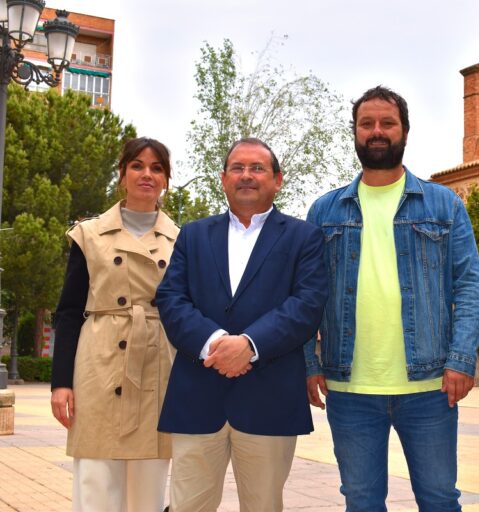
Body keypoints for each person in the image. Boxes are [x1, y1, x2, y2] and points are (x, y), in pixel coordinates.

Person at [304, 85, 479, 511]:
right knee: (362, 501)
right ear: (354, 133)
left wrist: (461, 358)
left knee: (439, 499)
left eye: (387, 122)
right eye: (367, 124)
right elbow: (305, 296)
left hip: (429, 385)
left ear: (405, 130)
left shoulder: (444, 204)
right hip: (348, 386)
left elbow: (470, 284)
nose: (377, 131)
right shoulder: (325, 211)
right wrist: (309, 362)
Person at [155, 137, 327, 512]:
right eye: (238, 168)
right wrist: (215, 343)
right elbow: (170, 299)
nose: (246, 175)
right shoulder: (193, 234)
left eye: (257, 168)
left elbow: (306, 305)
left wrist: (249, 345)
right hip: (197, 398)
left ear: (278, 179)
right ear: (223, 178)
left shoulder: (304, 238)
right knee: (187, 506)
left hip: (269, 399)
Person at [50, 137, 179, 511]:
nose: (147, 175)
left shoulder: (181, 240)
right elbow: (69, 311)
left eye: (157, 168)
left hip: (156, 363)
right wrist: (61, 383)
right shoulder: (88, 234)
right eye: (137, 165)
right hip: (99, 364)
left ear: (166, 180)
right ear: (122, 174)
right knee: (95, 476)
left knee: (148, 483)